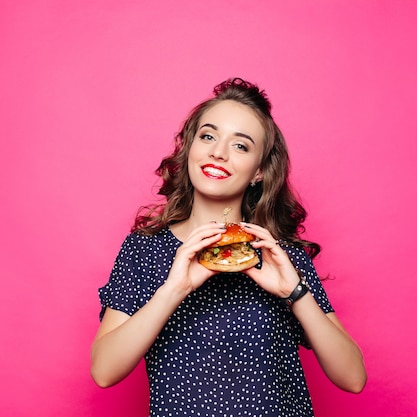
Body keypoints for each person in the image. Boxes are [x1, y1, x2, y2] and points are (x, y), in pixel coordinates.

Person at [91, 78, 367, 416]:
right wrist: (175, 289)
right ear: (190, 148)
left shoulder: (281, 257)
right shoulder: (145, 250)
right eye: (208, 136)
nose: (218, 152)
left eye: (241, 146)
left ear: (260, 171)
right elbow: (104, 371)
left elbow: (353, 378)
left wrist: (294, 292)